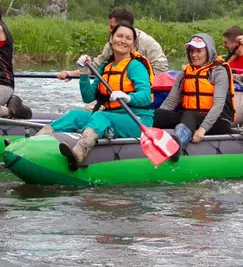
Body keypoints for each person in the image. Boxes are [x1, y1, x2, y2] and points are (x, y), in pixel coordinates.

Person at [36, 21, 154, 170]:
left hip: (137, 119)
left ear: (133, 44)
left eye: (128, 38)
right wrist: (84, 73)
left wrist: (128, 97)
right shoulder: (106, 66)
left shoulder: (136, 66)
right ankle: (34, 141)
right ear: (111, 39)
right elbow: (88, 97)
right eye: (119, 36)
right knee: (75, 115)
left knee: (100, 116)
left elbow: (145, 96)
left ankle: (78, 154)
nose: (123, 41)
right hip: (112, 115)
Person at [153, 33, 235, 157]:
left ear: (208, 51)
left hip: (216, 122)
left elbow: (218, 105)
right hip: (188, 120)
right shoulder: (185, 72)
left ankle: (177, 146)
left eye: (199, 51)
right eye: (191, 51)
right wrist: (160, 117)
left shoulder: (218, 71)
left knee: (189, 115)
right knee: (157, 113)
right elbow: (171, 101)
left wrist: (203, 129)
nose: (194, 55)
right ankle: (136, 137)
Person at [56, 8, 168, 78]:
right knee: (90, 108)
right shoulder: (111, 44)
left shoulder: (148, 43)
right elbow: (95, 68)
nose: (109, 30)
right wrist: (69, 74)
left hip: (142, 93)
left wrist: (132, 80)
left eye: (112, 27)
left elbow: (161, 71)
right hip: (114, 92)